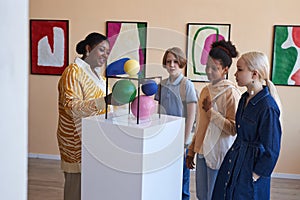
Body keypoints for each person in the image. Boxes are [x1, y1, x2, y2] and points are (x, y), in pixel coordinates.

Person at [212, 52, 282, 200]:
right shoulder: (244, 98)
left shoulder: (267, 107)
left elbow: (272, 149)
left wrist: (255, 174)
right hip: (235, 157)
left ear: (254, 74)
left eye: (240, 69)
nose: (235, 74)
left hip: (251, 165)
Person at [56, 32, 113, 200]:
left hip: (97, 142)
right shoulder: (73, 72)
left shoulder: (98, 76)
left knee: (91, 190)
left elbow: (106, 106)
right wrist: (105, 101)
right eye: (101, 50)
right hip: (76, 143)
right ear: (88, 49)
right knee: (76, 190)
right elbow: (71, 107)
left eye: (107, 52)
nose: (105, 55)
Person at [186, 40, 241, 200]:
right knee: (202, 196)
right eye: (207, 66)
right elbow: (200, 126)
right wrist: (191, 151)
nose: (209, 71)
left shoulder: (231, 93)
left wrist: (212, 113)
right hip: (202, 151)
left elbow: (233, 129)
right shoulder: (205, 90)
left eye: (214, 68)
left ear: (225, 69)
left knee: (216, 196)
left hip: (220, 154)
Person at [155, 47, 197, 200]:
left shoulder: (186, 85)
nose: (171, 65)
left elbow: (191, 115)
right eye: (168, 62)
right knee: (165, 175)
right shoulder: (162, 84)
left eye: (175, 62)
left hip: (180, 139)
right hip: (164, 137)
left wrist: (185, 142)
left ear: (181, 63)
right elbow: (157, 112)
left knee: (182, 179)